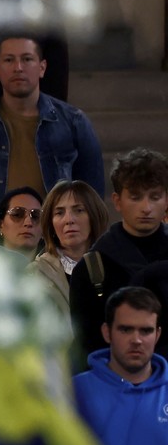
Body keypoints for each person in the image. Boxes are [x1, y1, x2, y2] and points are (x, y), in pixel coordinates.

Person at [72, 287, 168, 445]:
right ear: (107, 332)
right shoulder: (72, 394)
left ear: (157, 334)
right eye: (126, 329)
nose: (136, 339)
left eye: (146, 330)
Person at [0, 35, 104, 225]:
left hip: (54, 242)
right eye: (9, 60)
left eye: (27, 59)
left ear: (42, 67)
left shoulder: (73, 123)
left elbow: (93, 198)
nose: (18, 67)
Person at [70, 150, 168, 357]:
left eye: (155, 197)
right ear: (117, 201)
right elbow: (88, 347)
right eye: (135, 197)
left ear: (166, 201)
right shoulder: (92, 269)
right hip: (115, 381)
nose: (146, 208)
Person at [30, 180, 110, 316]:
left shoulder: (113, 267)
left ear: (94, 216)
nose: (69, 220)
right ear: (51, 223)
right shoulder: (35, 274)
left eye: (79, 210)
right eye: (59, 213)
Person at [0, 186, 44, 255]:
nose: (28, 223)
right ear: (1, 225)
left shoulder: (56, 265)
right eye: (17, 215)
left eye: (36, 216)